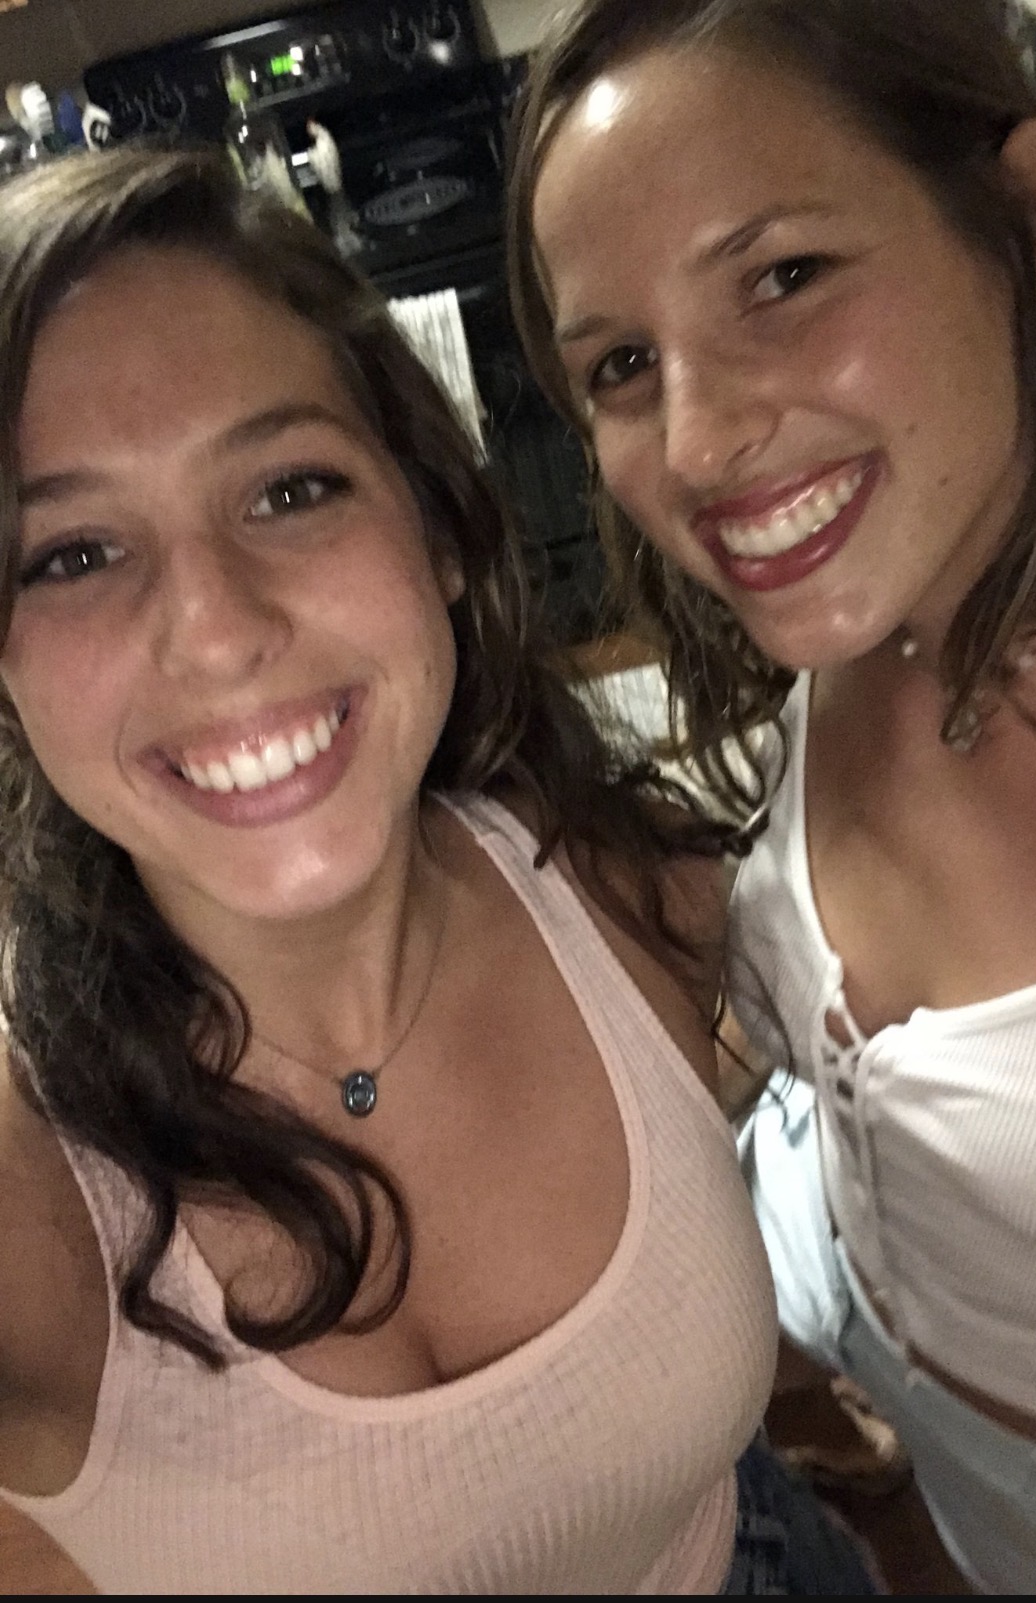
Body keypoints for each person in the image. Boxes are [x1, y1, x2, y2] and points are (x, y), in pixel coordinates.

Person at [0, 148, 877, 1595]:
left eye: (290, 489)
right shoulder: (29, 1196)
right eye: (73, 555)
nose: (216, 628)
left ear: (439, 532)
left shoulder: (627, 891)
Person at [508, 0, 1036, 1591]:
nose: (697, 443)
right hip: (857, 1314)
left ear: (1024, 217)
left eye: (782, 277)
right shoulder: (874, 594)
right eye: (622, 364)